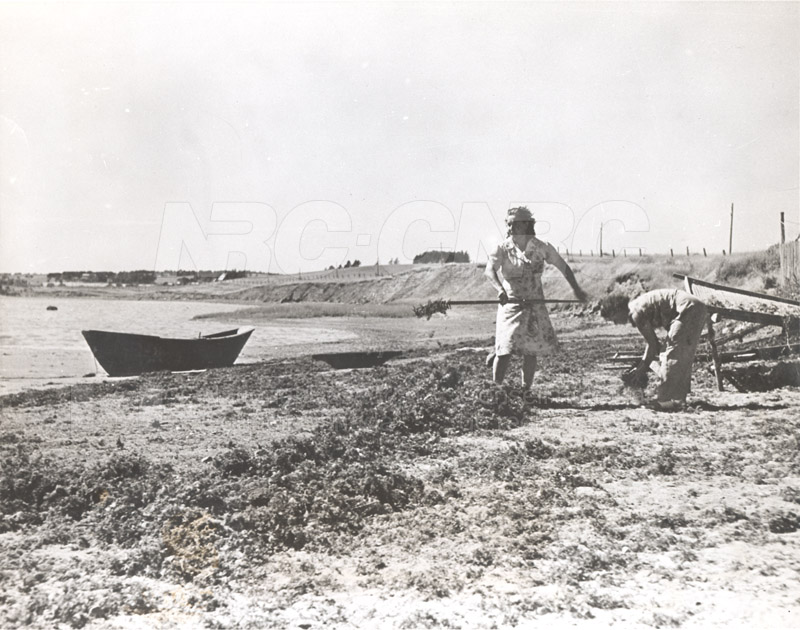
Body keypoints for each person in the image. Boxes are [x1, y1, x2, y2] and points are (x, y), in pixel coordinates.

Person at [484, 206, 588, 391]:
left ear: (526, 225)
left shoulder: (541, 247)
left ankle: (526, 391)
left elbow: (564, 268)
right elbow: (489, 270)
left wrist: (576, 290)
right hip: (511, 304)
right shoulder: (502, 248)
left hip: (535, 304)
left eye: (514, 224)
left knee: (530, 350)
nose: (510, 228)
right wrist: (500, 289)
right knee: (505, 349)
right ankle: (495, 389)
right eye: (508, 224)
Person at [599, 289, 708, 410]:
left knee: (672, 353)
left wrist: (641, 369)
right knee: (679, 352)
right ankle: (677, 399)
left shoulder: (636, 312)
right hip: (693, 307)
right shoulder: (636, 306)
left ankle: (666, 400)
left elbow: (652, 345)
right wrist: (641, 367)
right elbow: (654, 344)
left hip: (688, 308)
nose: (615, 323)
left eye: (613, 318)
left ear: (618, 310)